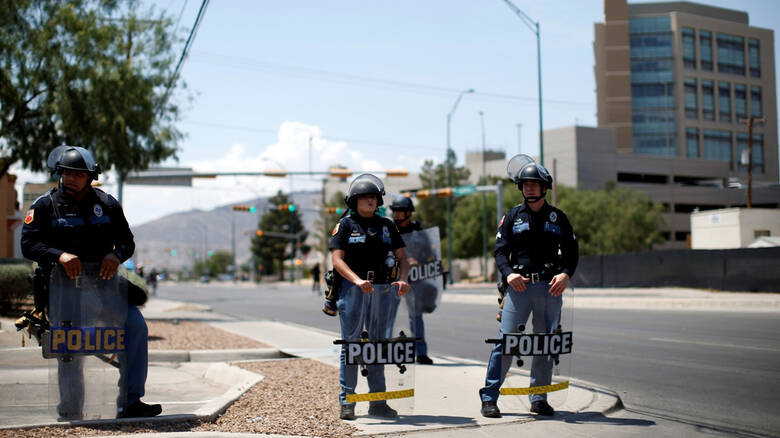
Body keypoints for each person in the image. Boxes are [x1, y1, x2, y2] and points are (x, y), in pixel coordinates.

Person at [21, 145, 162, 420]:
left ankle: (131, 402)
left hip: (105, 290)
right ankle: (71, 410)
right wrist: (58, 255)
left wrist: (116, 254)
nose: (71, 178)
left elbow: (127, 242)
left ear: (90, 175)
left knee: (136, 327)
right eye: (66, 173)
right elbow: (28, 244)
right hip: (64, 292)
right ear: (59, 173)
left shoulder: (107, 204)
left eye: (78, 174)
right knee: (71, 347)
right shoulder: (44, 206)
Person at [479, 157, 578, 418]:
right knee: (507, 342)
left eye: (535, 184)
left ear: (545, 187)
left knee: (545, 343)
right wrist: (509, 275)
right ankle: (489, 397)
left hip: (550, 288)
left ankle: (539, 398)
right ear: (521, 188)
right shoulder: (512, 217)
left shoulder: (558, 218)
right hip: (519, 288)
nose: (530, 188)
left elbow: (571, 251)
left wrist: (566, 274)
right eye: (526, 184)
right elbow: (500, 252)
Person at [330, 174, 410, 420]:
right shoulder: (345, 225)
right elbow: (336, 259)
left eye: (374, 197)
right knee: (352, 346)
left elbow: (403, 257)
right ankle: (348, 402)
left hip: (382, 289)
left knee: (377, 346)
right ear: (354, 201)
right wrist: (356, 280)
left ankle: (378, 402)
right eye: (365, 197)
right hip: (353, 290)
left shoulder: (387, 225)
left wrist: (403, 278)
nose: (370, 201)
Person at [389, 196, 433, 365]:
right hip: (392, 279)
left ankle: (421, 353)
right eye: (395, 211)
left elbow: (430, 255)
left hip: (414, 280)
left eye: (401, 211)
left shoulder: (419, 233)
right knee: (388, 315)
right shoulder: (389, 230)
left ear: (408, 212)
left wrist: (418, 261)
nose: (397, 215)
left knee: (416, 317)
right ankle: (384, 350)